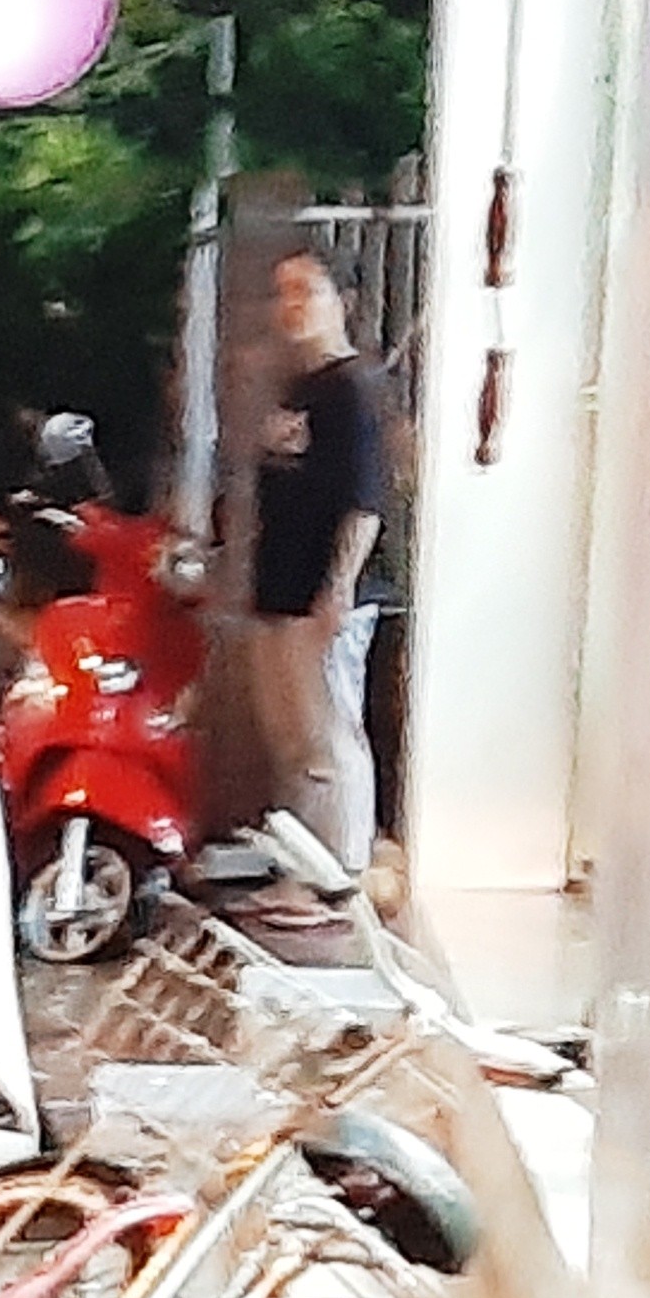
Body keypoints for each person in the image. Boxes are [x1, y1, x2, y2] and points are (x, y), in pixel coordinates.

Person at [242, 250, 388, 911]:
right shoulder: (296, 389)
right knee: (290, 739)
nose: (292, 305)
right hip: (278, 587)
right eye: (283, 292)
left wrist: (338, 585)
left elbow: (364, 501)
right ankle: (300, 869)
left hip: (321, 595)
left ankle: (339, 874)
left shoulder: (353, 391)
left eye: (307, 290)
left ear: (343, 300)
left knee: (328, 736)